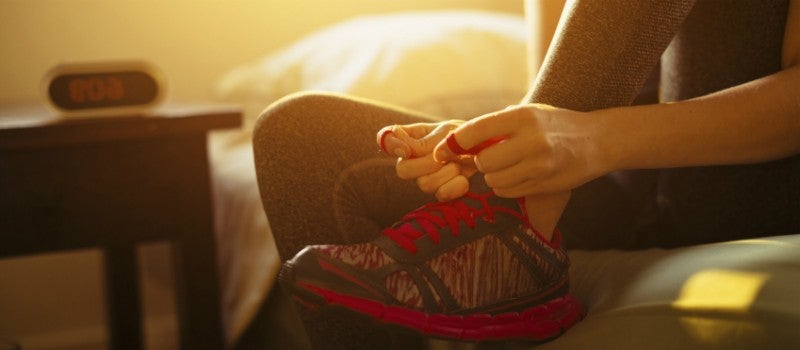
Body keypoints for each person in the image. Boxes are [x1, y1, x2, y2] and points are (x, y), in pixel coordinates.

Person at [253, 0, 800, 349]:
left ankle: (514, 230)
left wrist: (596, 142)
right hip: (612, 185)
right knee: (297, 137)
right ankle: (514, 231)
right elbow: (566, 88)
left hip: (743, 175)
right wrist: (495, 139)